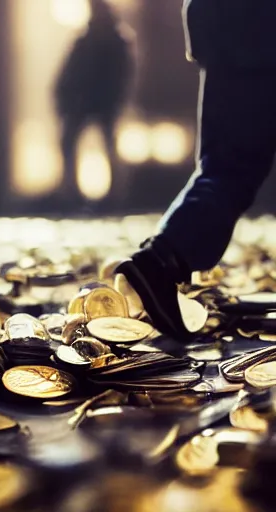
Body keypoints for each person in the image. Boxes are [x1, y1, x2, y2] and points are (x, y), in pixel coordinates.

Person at [116, 0, 276, 341]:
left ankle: (166, 256)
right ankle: (164, 257)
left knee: (226, 165)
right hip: (257, 31)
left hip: (228, 27)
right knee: (232, 167)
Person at [54, 0, 135, 207]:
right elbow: (70, 71)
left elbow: (120, 74)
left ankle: (110, 194)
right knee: (74, 143)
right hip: (87, 101)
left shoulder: (109, 40)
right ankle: (73, 192)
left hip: (99, 100)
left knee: (102, 144)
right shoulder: (93, 39)